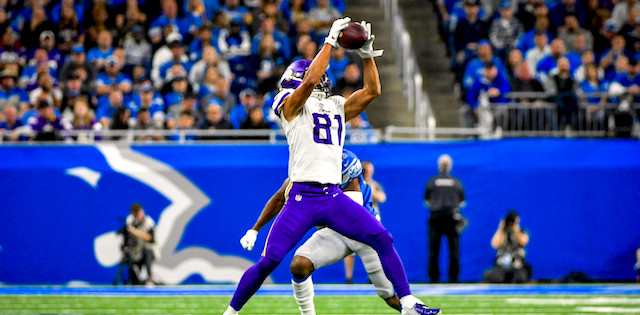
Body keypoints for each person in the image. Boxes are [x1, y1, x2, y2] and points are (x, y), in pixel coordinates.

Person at [223, 18, 440, 315]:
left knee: (382, 238)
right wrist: (329, 40)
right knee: (269, 261)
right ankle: (231, 313)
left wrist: (366, 54)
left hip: (332, 197)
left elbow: (372, 90)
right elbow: (310, 82)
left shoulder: (335, 105)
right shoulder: (289, 104)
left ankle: (407, 303)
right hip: (301, 197)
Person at [240, 149, 402, 314]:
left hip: (364, 235)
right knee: (299, 265)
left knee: (391, 298)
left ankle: (416, 309)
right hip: (336, 234)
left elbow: (344, 210)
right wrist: (254, 230)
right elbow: (281, 196)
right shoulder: (311, 169)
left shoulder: (349, 175)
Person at [424, 154, 466, 283]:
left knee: (434, 249)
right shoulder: (456, 182)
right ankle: (453, 278)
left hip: (436, 217)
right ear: (450, 166)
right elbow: (462, 202)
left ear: (438, 166)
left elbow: (426, 200)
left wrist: (437, 206)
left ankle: (434, 278)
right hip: (451, 218)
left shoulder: (432, 182)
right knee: (454, 249)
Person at [483, 210, 530, 283]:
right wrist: (501, 227)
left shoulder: (522, 231)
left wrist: (515, 228)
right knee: (493, 277)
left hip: (517, 265)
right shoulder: (502, 233)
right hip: (502, 265)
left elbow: (523, 241)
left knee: (520, 278)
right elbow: (494, 244)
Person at [124, 203, 157, 287]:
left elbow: (150, 238)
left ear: (141, 212)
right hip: (135, 250)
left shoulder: (149, 222)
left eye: (137, 214)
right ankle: (134, 280)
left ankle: (150, 277)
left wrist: (135, 232)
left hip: (146, 250)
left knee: (147, 250)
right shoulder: (130, 221)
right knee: (134, 279)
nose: (136, 216)